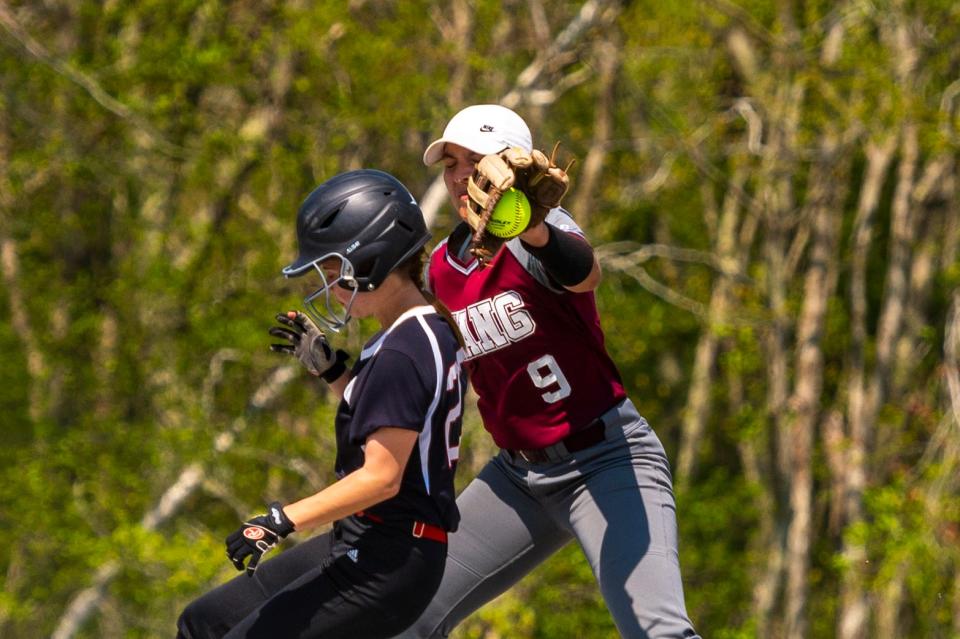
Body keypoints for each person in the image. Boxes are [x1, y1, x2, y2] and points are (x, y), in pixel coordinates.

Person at [395, 104, 700, 638]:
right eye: (451, 163)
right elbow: (421, 359)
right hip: (517, 479)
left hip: (606, 459)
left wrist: (533, 227)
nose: (461, 174)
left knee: (659, 631)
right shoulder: (443, 264)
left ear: (513, 166)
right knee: (402, 616)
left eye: (475, 160)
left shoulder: (542, 232)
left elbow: (583, 274)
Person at [176, 169, 467, 639]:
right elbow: (393, 419)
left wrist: (281, 520)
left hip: (390, 561)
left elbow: (382, 477)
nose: (329, 288)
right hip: (369, 541)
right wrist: (335, 373)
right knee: (204, 622)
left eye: (334, 274)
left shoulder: (403, 350)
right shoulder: (412, 331)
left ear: (372, 261)